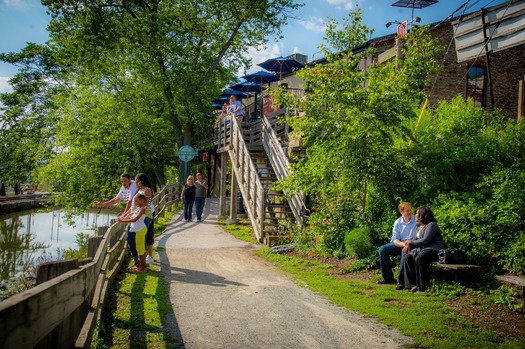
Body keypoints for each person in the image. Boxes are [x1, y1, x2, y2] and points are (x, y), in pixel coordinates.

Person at [402, 206, 446, 293]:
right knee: (408, 257)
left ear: (422, 215)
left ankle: (421, 287)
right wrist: (408, 245)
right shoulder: (418, 227)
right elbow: (415, 240)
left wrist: (411, 242)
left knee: (420, 258)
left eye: (417, 214)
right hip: (421, 249)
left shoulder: (432, 225)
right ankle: (411, 285)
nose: (415, 215)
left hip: (433, 249)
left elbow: (425, 240)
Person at [377, 202, 419, 290]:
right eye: (407, 211)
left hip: (412, 245)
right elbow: (395, 240)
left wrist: (408, 244)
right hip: (401, 244)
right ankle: (387, 276)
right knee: (383, 249)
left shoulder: (416, 220)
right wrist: (403, 244)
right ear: (401, 211)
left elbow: (420, 234)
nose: (409, 212)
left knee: (405, 251)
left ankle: (401, 281)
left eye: (410, 210)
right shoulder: (398, 222)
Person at [116, 193, 148, 273]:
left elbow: (134, 219)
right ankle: (141, 265)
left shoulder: (143, 209)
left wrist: (122, 221)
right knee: (140, 248)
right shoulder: (138, 208)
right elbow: (131, 215)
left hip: (141, 229)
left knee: (140, 249)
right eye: (134, 200)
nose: (135, 202)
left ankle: (143, 268)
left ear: (141, 200)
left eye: (136, 201)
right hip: (138, 230)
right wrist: (122, 217)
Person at [135, 173, 155, 265]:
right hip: (143, 213)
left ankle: (148, 257)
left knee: (147, 234)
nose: (135, 182)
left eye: (136, 180)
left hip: (147, 214)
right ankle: (144, 256)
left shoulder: (146, 190)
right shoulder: (139, 190)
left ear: (140, 181)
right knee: (143, 234)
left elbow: (145, 204)